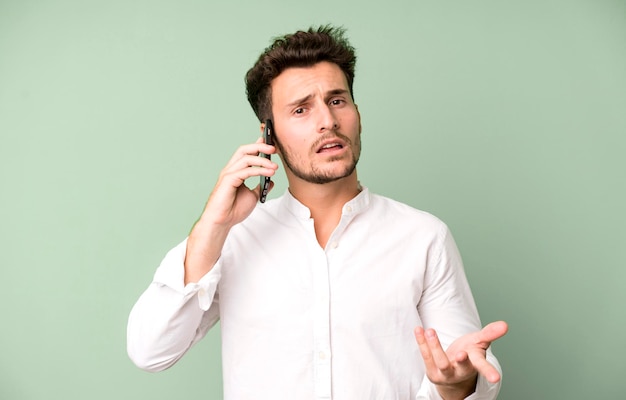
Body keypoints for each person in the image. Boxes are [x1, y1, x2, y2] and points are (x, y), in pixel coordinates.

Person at [127, 25, 508, 400]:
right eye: (301, 109)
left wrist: (455, 385)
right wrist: (213, 225)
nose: (327, 120)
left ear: (357, 112)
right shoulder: (233, 239)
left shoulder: (424, 237)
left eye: (337, 100)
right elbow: (151, 351)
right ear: (268, 136)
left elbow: (459, 364)